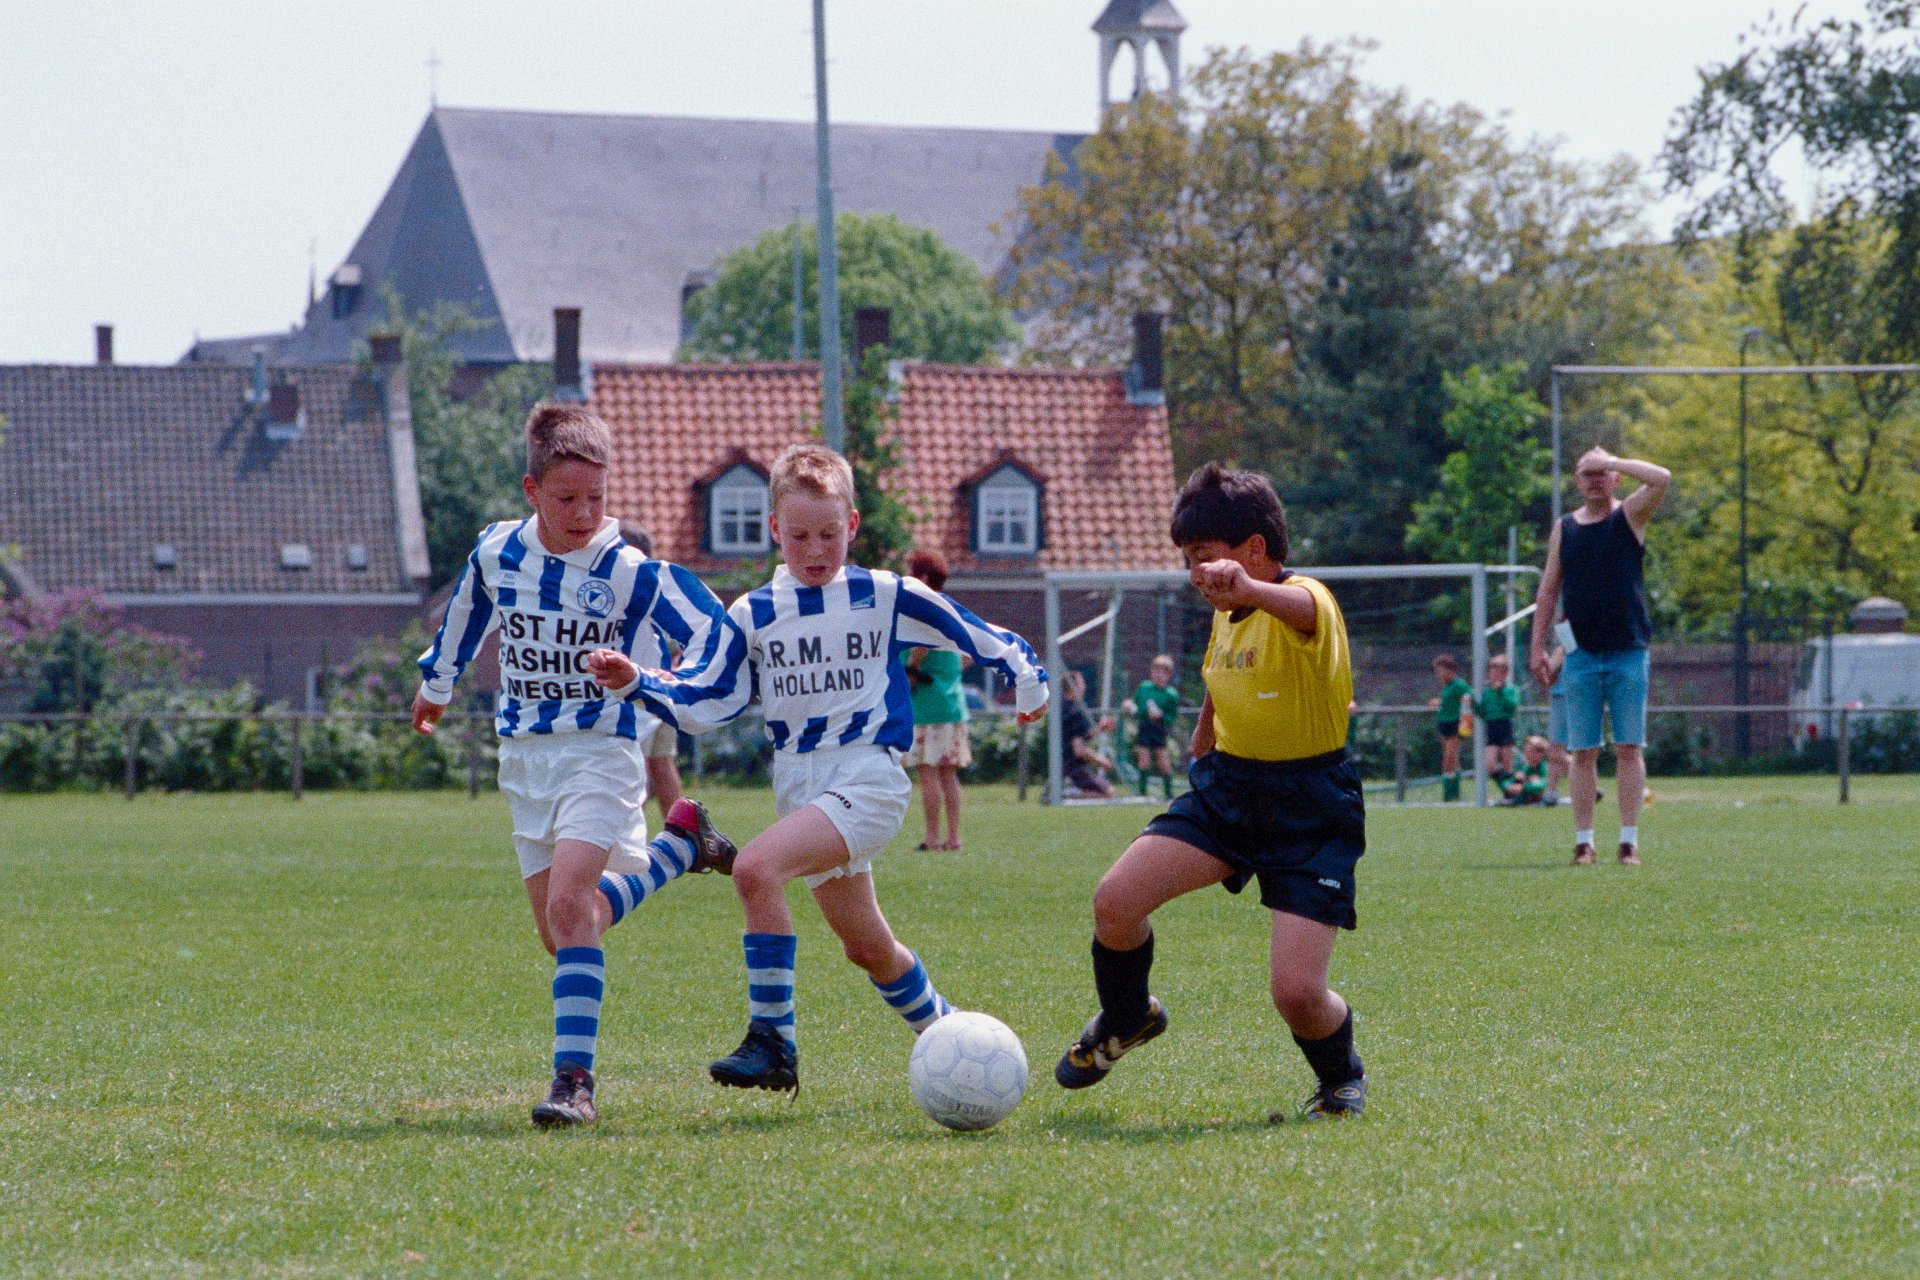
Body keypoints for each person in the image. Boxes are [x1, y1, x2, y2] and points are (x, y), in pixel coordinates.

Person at [588, 443, 1049, 1094]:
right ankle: (957, 1041)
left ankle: (773, 1042)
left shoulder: (883, 594)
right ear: (774, 529)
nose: (815, 549)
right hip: (800, 788)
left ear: (851, 525)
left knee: (755, 868)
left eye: (829, 534)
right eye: (800, 535)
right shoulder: (753, 613)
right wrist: (639, 680)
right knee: (869, 949)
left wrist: (1028, 680)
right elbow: (708, 697)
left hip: (868, 780)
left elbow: (972, 631)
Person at [412, 404, 741, 1128]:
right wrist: (436, 685)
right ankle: (679, 849)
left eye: (597, 496)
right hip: (525, 758)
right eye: (567, 499)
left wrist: (652, 681)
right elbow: (465, 615)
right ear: (532, 491)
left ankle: (573, 1084)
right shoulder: (497, 552)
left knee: (569, 908)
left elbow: (718, 635)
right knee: (562, 931)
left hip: (601, 750)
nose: (586, 513)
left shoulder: (627, 571)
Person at [1053, 462, 1368, 1122]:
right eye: (1189, 560)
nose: (1196, 574)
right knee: (1115, 902)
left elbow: (1304, 612)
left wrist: (1249, 586)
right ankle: (1128, 1016)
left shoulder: (1306, 599)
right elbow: (1224, 676)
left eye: (1204, 556)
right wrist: (1204, 729)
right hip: (1229, 791)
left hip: (1311, 808)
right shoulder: (1227, 615)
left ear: (1255, 547)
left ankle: (1340, 1078)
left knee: (1296, 993)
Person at [1529, 446, 1670, 866]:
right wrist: (1537, 647)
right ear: (1576, 481)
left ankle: (1628, 841)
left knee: (1629, 747)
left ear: (1615, 479)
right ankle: (1584, 842)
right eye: (1586, 473)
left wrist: (1611, 460)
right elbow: (1548, 590)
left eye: (1601, 473)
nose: (1594, 480)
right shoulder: (1565, 528)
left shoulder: (1629, 516)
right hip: (1580, 656)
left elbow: (1661, 477)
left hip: (1629, 651)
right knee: (1583, 751)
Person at [901, 549, 970, 851]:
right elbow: (968, 654)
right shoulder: (951, 610)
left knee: (927, 772)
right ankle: (954, 837)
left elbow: (919, 648)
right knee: (949, 775)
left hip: (927, 706)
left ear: (924, 577)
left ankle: (931, 837)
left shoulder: (924, 610)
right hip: (953, 705)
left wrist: (911, 670)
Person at [618, 520, 686, 823]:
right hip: (663, 685)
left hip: (637, 688)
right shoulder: (662, 590)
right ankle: (681, 835)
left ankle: (631, 836)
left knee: (639, 763)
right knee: (662, 763)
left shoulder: (626, 593)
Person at [1129, 654, 1182, 800]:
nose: (1158, 675)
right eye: (1155, 671)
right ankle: (1141, 794)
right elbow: (1135, 705)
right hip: (1144, 726)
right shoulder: (1144, 687)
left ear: (1169, 675)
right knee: (1144, 759)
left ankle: (1169, 794)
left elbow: (1171, 717)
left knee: (1163, 761)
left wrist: (1161, 716)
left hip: (1158, 729)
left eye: (1163, 672)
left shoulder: (1171, 694)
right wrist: (1129, 705)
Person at [1061, 669, 1117, 799]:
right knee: (1110, 794)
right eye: (1082, 683)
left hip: (1061, 766)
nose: (1084, 687)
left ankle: (1065, 790)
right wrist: (1101, 761)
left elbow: (1075, 738)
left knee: (1108, 791)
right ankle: (1068, 793)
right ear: (1075, 686)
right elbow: (1079, 750)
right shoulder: (1075, 712)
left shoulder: (1062, 708)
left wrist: (1099, 728)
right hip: (1075, 768)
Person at [1428, 654, 1473, 802]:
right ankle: (1454, 793)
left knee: (1449, 758)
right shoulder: (1447, 687)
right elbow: (1450, 701)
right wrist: (1439, 702)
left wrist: (1467, 700)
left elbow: (1469, 696)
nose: (1438, 675)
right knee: (1451, 759)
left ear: (1450, 670)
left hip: (1456, 724)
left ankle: (1449, 795)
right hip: (1445, 723)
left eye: (1440, 670)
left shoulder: (1459, 684)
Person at [1475, 654, 1521, 783]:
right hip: (1492, 728)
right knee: (1490, 764)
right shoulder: (1487, 692)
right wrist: (1472, 704)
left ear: (1505, 673)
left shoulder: (1511, 690)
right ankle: (1508, 785)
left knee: (1507, 764)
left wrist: (1500, 691)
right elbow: (1482, 712)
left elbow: (1512, 706)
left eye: (1498, 671)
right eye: (1492, 670)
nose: (1494, 674)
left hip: (1504, 726)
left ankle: (1514, 788)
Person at [1500, 736, 1553, 805]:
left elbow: (1542, 785)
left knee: (1550, 797)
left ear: (1540, 753)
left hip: (1541, 795)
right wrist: (1510, 786)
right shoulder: (1526, 767)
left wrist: (1523, 787)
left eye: (1530, 751)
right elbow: (1507, 782)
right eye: (1526, 751)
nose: (1526, 754)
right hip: (1527, 794)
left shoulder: (1544, 767)